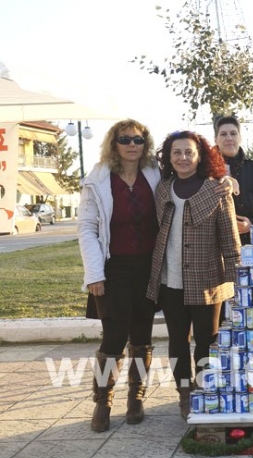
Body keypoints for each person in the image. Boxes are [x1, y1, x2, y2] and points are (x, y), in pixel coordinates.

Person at [146, 130, 241, 419]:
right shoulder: (163, 189)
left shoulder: (216, 189)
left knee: (206, 339)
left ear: (200, 156)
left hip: (208, 281)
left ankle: (204, 390)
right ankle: (184, 394)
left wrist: (240, 281)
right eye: (177, 152)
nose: (183, 157)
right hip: (169, 280)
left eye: (189, 152)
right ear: (169, 157)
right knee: (177, 339)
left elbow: (230, 238)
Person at [78, 119, 160, 432]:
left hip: (148, 268)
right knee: (113, 338)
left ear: (145, 144)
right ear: (114, 143)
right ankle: (102, 399)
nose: (131, 145)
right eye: (124, 139)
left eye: (138, 140)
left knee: (142, 337)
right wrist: (94, 274)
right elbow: (86, 227)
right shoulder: (98, 178)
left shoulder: (154, 174)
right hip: (113, 269)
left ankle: (136, 396)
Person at [214, 115, 253, 245]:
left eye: (233, 133)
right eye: (223, 134)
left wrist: (252, 223)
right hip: (217, 247)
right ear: (216, 139)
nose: (229, 138)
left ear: (240, 138)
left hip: (250, 246)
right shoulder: (207, 172)